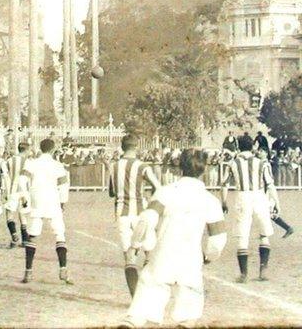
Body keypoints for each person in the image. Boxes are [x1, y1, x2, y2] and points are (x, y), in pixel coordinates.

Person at [121, 149, 227, 328]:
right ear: (205, 170)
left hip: (161, 256)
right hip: (190, 260)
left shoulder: (165, 193)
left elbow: (147, 219)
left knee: (137, 316)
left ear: (179, 167)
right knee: (187, 318)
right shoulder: (210, 201)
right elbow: (218, 238)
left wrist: (135, 245)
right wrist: (209, 256)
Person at [221, 136, 281, 283]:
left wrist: (223, 202)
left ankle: (243, 274)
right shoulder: (262, 163)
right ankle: (263, 270)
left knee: (243, 235)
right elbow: (270, 184)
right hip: (259, 196)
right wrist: (277, 203)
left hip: (242, 196)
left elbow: (224, 184)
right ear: (253, 146)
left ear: (238, 147)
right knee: (264, 233)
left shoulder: (232, 163)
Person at [109, 135, 161, 297]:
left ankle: (136, 297)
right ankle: (150, 292)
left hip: (122, 214)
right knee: (150, 253)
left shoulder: (113, 166)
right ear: (136, 147)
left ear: (122, 147)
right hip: (140, 213)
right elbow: (158, 187)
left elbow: (112, 192)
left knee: (130, 257)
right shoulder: (142, 166)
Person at [19, 139, 71, 284]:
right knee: (60, 234)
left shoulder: (32, 163)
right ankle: (63, 269)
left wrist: (25, 197)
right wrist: (62, 202)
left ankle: (28, 272)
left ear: (41, 149)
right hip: (52, 201)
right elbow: (63, 186)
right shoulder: (58, 165)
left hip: (36, 200)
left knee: (33, 235)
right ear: (53, 149)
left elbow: (22, 180)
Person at [4, 143, 32, 248]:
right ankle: (25, 239)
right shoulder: (28, 162)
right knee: (23, 215)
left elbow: (5, 177)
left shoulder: (9, 160)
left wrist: (5, 191)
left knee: (9, 214)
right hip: (24, 191)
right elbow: (26, 179)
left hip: (12, 191)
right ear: (26, 150)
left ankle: (14, 234)